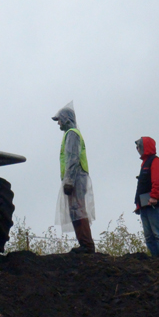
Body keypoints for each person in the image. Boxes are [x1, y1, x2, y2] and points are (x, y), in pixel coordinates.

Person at [52, 101, 96, 253]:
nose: (58, 123)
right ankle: (85, 244)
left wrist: (69, 180)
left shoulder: (72, 134)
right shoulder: (69, 134)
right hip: (76, 176)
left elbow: (72, 158)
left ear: (65, 118)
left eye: (59, 119)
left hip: (76, 177)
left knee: (77, 209)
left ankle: (87, 246)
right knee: (75, 210)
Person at [134, 136, 159, 259]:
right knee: (149, 235)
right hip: (145, 205)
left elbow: (157, 180)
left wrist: (154, 197)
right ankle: (156, 259)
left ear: (144, 147)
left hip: (152, 204)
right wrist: (138, 205)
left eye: (139, 146)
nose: (137, 149)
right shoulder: (145, 163)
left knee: (158, 233)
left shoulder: (155, 161)